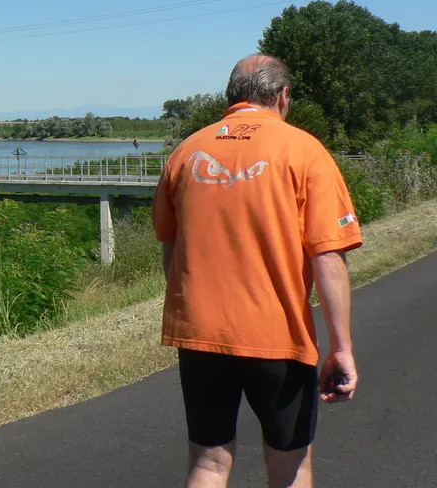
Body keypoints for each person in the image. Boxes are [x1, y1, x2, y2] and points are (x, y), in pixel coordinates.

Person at [153, 55, 362, 488]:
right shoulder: (303, 150)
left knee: (208, 464)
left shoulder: (188, 150)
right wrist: (341, 347)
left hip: (199, 335)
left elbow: (170, 245)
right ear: (283, 97)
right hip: (277, 337)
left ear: (232, 95)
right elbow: (328, 258)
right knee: (291, 467)